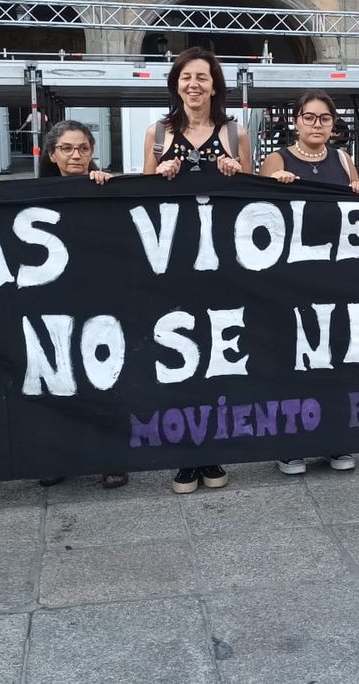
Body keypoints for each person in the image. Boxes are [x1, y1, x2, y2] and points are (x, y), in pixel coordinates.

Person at [142, 47, 251, 494]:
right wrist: (159, 173)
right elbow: (142, 199)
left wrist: (235, 172)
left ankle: (213, 448)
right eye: (186, 77)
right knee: (177, 356)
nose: (194, 85)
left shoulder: (234, 131)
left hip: (221, 261)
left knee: (218, 354)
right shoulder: (157, 133)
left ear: (214, 85)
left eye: (202, 78)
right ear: (176, 84)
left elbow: (254, 199)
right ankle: (185, 454)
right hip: (172, 261)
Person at [262, 92, 359, 476]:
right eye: (310, 117)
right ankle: (291, 443)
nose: (317, 124)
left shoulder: (343, 159)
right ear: (296, 121)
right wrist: (274, 184)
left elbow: (357, 209)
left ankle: (334, 440)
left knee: (335, 358)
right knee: (294, 358)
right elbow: (256, 211)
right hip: (291, 277)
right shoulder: (277, 159)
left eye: (325, 118)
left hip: (336, 275)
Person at [37, 119, 127, 488]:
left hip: (99, 298)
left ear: (92, 152)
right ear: (51, 153)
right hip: (52, 298)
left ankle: (111, 457)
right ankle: (60, 457)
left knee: (102, 376)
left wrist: (109, 187)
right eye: (67, 149)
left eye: (83, 149)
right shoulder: (33, 191)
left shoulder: (104, 185)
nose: (76, 155)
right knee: (57, 377)